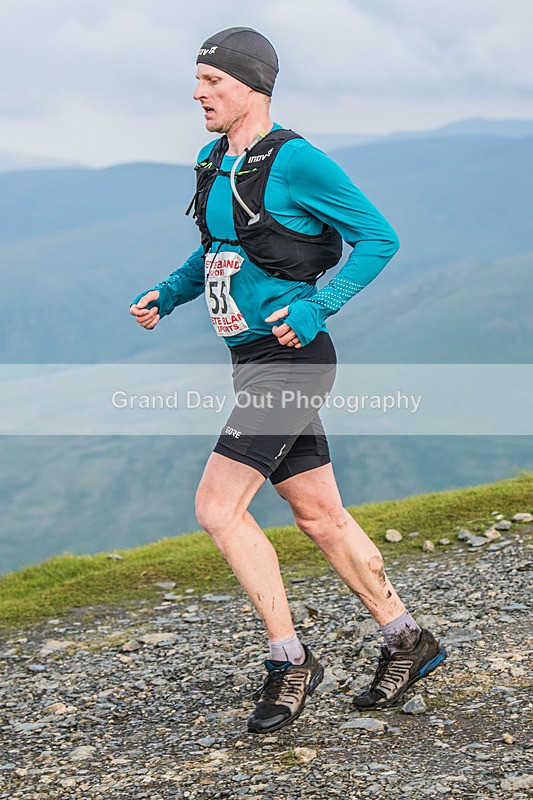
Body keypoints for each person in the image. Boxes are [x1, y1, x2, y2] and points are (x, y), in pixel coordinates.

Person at [130, 26, 446, 734]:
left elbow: (380, 238)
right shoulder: (214, 160)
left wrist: (318, 305)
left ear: (251, 85)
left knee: (217, 508)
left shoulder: (298, 162)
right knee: (319, 516)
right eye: (198, 79)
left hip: (294, 362)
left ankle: (289, 659)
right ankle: (408, 639)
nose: (197, 92)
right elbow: (218, 250)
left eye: (211, 80)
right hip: (251, 362)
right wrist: (169, 293)